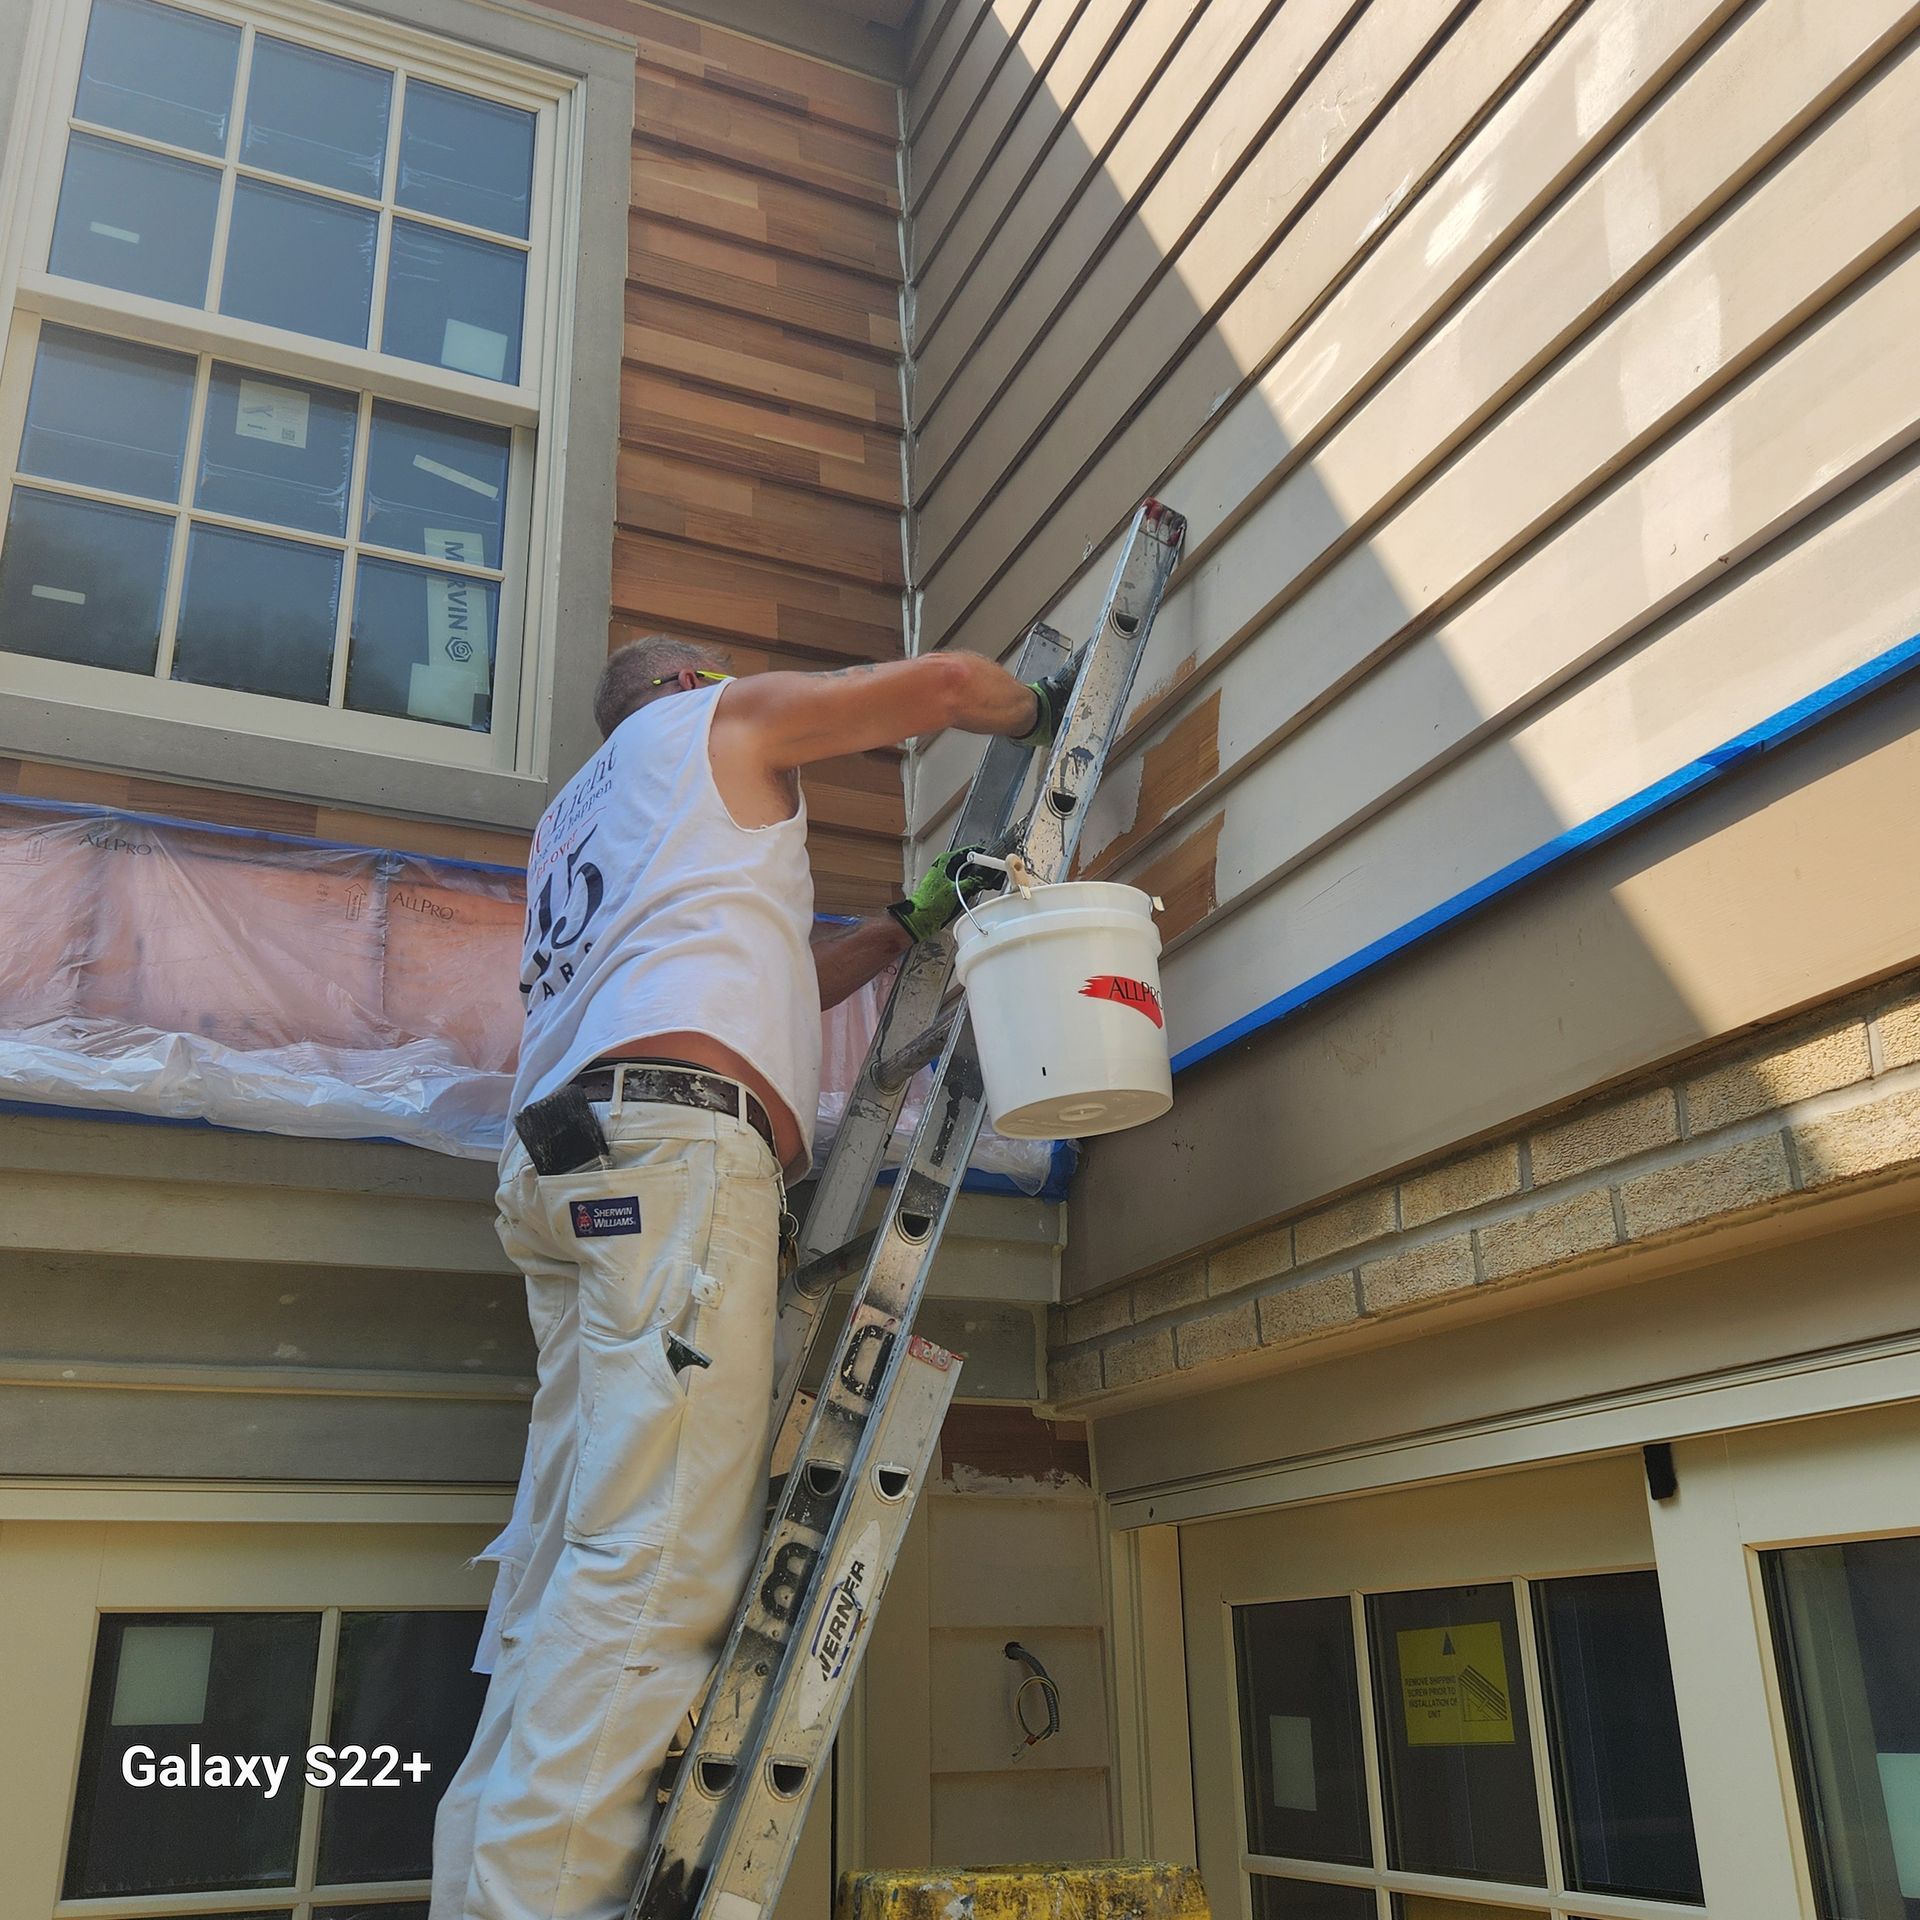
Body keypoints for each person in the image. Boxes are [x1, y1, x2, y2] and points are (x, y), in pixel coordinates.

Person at [430, 634, 1078, 1920]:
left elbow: (769, 973)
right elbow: (951, 687)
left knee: (567, 1555)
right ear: (685, 685)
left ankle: (480, 1886)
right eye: (716, 669)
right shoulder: (708, 723)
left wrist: (905, 925)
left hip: (571, 1170)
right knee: (657, 1553)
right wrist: (1041, 711)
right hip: (671, 1156)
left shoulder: (583, 821)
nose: (732, 680)